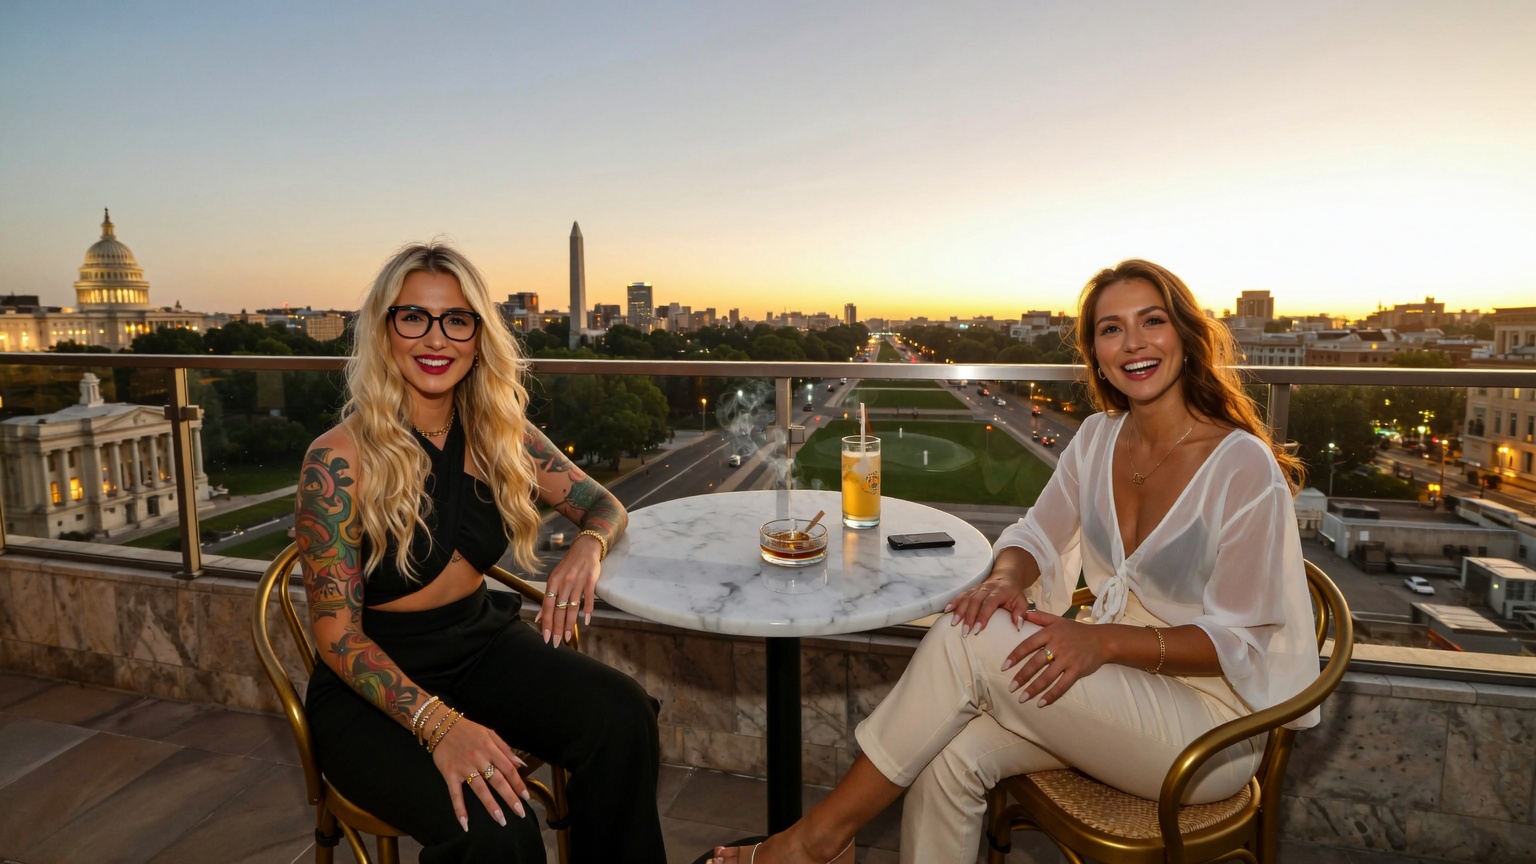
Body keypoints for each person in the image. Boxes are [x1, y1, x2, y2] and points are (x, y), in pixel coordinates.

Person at [713, 260, 1318, 864]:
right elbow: (1035, 534)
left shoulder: (1242, 466)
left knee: (968, 636)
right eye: (1111, 329)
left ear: (1185, 334)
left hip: (1210, 730)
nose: (1133, 343)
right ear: (1096, 354)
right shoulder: (1098, 438)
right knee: (944, 754)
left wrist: (1102, 643)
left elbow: (1241, 640)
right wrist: (1006, 580)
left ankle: (813, 842)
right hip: (1109, 685)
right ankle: (822, 843)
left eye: (1151, 321)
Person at [298, 242, 666, 863]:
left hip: (481, 647)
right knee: (499, 826)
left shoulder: (504, 434)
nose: (434, 339)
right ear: (384, 329)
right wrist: (440, 725)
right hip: (373, 684)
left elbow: (605, 505)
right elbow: (335, 636)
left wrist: (588, 546)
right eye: (413, 317)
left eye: (457, 320)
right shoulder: (336, 460)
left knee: (622, 715)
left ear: (478, 336)